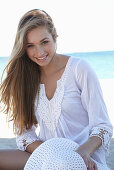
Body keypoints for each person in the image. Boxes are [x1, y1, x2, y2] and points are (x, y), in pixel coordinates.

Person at [0, 9, 113, 170]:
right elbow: (25, 134)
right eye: (30, 46)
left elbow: (103, 126)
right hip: (47, 156)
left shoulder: (79, 69)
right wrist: (51, 155)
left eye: (44, 42)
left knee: (64, 164)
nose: (39, 52)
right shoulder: (25, 78)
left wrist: (81, 152)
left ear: (55, 37)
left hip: (81, 157)